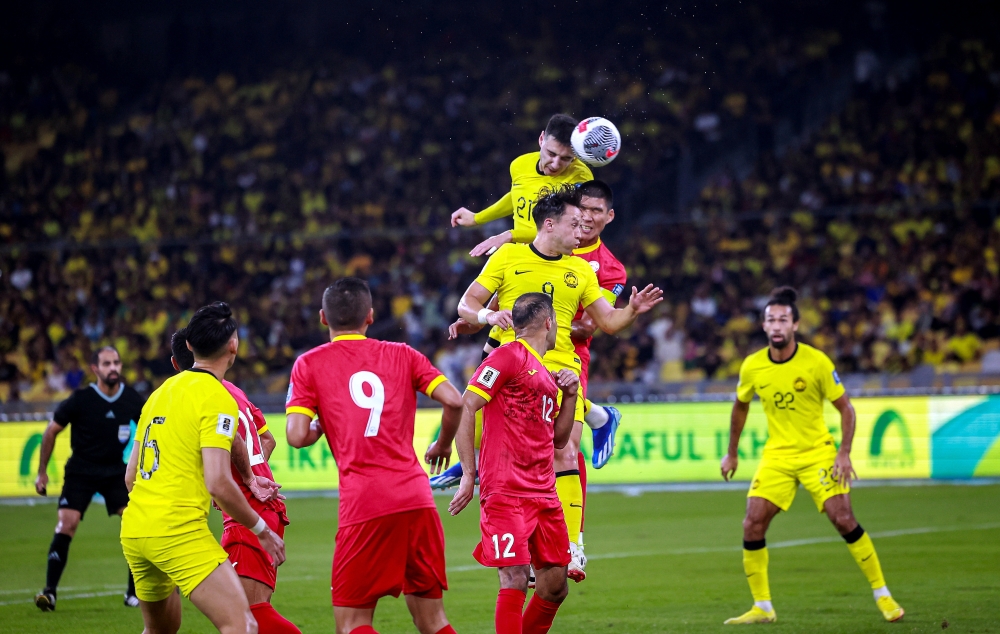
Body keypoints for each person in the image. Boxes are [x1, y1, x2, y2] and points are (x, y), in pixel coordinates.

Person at [455, 184, 662, 581]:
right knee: (501, 455)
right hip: (512, 367)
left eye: (587, 221)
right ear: (550, 225)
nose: (582, 229)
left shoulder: (581, 269)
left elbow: (609, 322)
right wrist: (485, 318)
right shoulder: (509, 256)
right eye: (575, 222)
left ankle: (571, 549)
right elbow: (468, 303)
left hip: (561, 371)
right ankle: (518, 544)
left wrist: (632, 310)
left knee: (565, 451)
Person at [285, 277, 463, 634]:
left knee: (352, 623)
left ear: (323, 318)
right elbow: (455, 400)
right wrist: (444, 445)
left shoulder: (309, 364)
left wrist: (322, 424)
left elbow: (296, 436)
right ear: (370, 315)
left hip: (365, 503)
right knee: (433, 620)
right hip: (416, 498)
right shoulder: (403, 354)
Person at [720, 287, 906, 625]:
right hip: (778, 453)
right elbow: (740, 407)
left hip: (818, 451)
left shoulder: (816, 362)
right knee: (752, 522)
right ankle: (762, 606)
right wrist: (731, 454)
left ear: (795, 325)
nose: (777, 326)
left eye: (783, 320)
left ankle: (883, 595)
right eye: (771, 320)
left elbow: (846, 409)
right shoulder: (752, 367)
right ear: (763, 326)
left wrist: (844, 453)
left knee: (843, 517)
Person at [121, 302, 286, 634]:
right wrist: (261, 530)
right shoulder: (217, 398)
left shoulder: (158, 394)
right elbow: (218, 483)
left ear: (190, 346)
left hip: (135, 531)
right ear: (233, 347)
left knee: (160, 631)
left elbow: (130, 476)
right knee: (242, 625)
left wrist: (250, 476)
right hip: (178, 532)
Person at [448, 293, 580, 634]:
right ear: (549, 323)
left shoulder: (547, 375)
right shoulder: (507, 357)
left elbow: (559, 441)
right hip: (506, 490)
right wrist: (468, 473)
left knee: (555, 585)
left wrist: (571, 396)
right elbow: (467, 405)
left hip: (544, 493)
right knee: (515, 576)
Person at [170, 329, 300, 634]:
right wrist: (255, 475)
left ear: (177, 365)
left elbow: (235, 440)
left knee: (250, 615)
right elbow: (267, 438)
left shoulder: (198, 397)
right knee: (244, 616)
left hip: (249, 511)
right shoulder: (233, 391)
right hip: (261, 506)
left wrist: (245, 481)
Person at [33, 346, 145, 611]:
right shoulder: (81, 399)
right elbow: (51, 431)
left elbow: (152, 427)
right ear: (95, 369)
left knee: (136, 523)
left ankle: (134, 593)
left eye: (116, 362)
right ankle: (50, 593)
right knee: (66, 524)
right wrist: (41, 472)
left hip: (114, 471)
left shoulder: (131, 399)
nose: (113, 368)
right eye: (107, 364)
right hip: (81, 471)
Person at [450, 113, 593, 257]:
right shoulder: (520, 165)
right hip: (523, 258)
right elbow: (518, 195)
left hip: (560, 262)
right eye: (551, 153)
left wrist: (509, 235)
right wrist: (477, 218)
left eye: (565, 158)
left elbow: (560, 229)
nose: (556, 164)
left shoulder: (580, 178)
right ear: (541, 139)